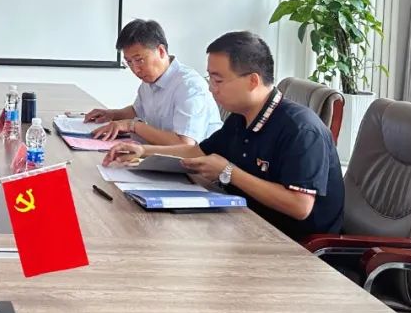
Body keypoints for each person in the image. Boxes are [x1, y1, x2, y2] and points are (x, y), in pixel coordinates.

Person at [104, 31, 344, 241]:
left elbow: (300, 206)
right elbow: (198, 151)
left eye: (218, 80)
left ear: (252, 81)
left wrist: (229, 172)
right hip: (243, 222)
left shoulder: (301, 129)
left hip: (290, 245)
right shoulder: (241, 117)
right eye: (210, 78)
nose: (211, 88)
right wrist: (143, 151)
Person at [86, 19, 222, 145]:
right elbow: (137, 110)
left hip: (200, 161)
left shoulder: (189, 86)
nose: (135, 69)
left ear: (161, 51)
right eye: (129, 62)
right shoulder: (149, 79)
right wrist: (112, 114)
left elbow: (184, 144)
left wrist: (132, 126)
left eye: (139, 60)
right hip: (162, 155)